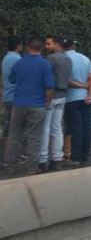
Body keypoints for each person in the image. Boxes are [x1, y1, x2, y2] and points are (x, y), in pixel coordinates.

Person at [3, 37, 54, 175]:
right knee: (35, 136)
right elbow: (49, 87)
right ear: (41, 49)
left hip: (19, 103)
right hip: (37, 103)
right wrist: (47, 101)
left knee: (14, 134)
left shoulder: (19, 63)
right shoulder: (44, 64)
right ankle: (32, 167)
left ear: (28, 48)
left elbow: (12, 79)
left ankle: (9, 164)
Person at [39, 36, 72, 172]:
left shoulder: (50, 59)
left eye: (48, 44)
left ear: (57, 44)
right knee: (57, 127)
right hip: (63, 95)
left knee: (45, 128)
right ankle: (57, 158)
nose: (46, 46)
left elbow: (44, 77)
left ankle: (42, 159)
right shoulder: (67, 59)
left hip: (51, 96)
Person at [63, 38, 91, 168]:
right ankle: (84, 156)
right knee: (86, 128)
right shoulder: (85, 59)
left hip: (71, 99)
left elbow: (66, 81)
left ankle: (75, 156)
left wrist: (81, 86)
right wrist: (89, 94)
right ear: (74, 45)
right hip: (85, 99)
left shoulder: (63, 59)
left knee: (75, 129)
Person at [1, 36, 22, 154]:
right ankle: (12, 154)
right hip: (14, 96)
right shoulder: (16, 59)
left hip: (7, 95)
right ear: (18, 46)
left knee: (9, 126)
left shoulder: (6, 58)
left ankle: (8, 152)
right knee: (15, 128)